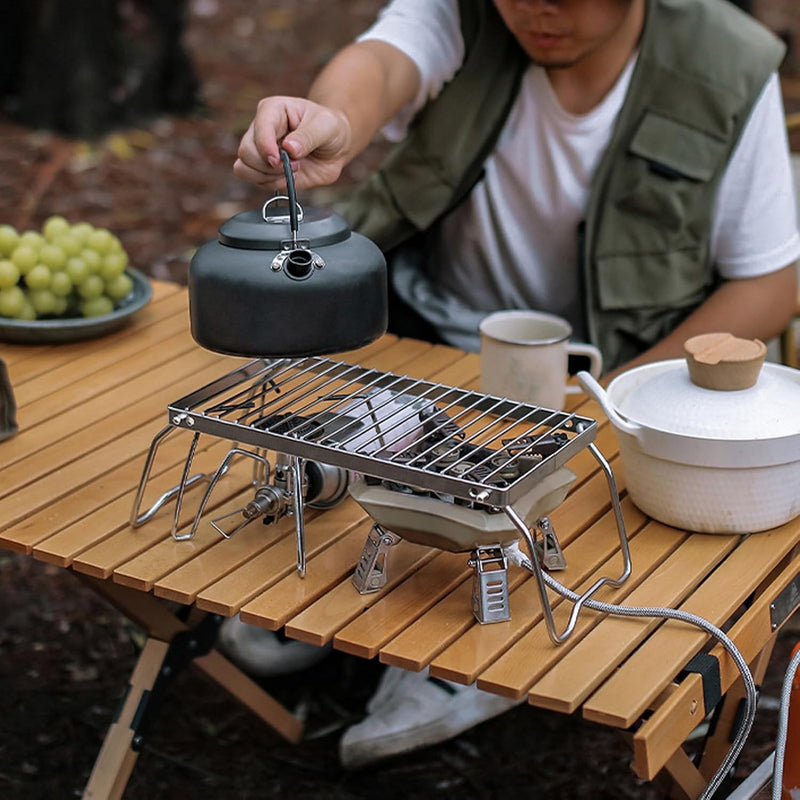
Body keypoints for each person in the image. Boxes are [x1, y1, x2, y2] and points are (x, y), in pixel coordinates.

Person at [222, 0, 800, 768]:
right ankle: (328, 594)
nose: (536, 9)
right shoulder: (461, 13)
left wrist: (622, 398)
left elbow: (771, 279)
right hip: (429, 333)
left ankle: (471, 654)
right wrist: (326, 119)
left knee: (555, 495)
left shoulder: (725, 63)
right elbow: (384, 64)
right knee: (350, 438)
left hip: (602, 367)